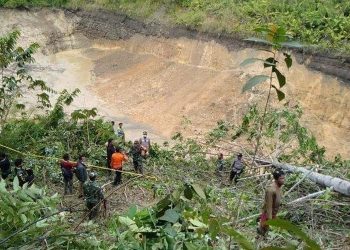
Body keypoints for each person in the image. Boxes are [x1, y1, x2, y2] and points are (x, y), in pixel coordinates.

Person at [258, 169, 285, 236]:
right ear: (276, 179)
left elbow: (276, 199)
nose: (283, 180)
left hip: (273, 214)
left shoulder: (279, 187)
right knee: (263, 231)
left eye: (284, 178)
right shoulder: (271, 190)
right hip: (267, 215)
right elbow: (268, 207)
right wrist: (269, 220)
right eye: (281, 178)